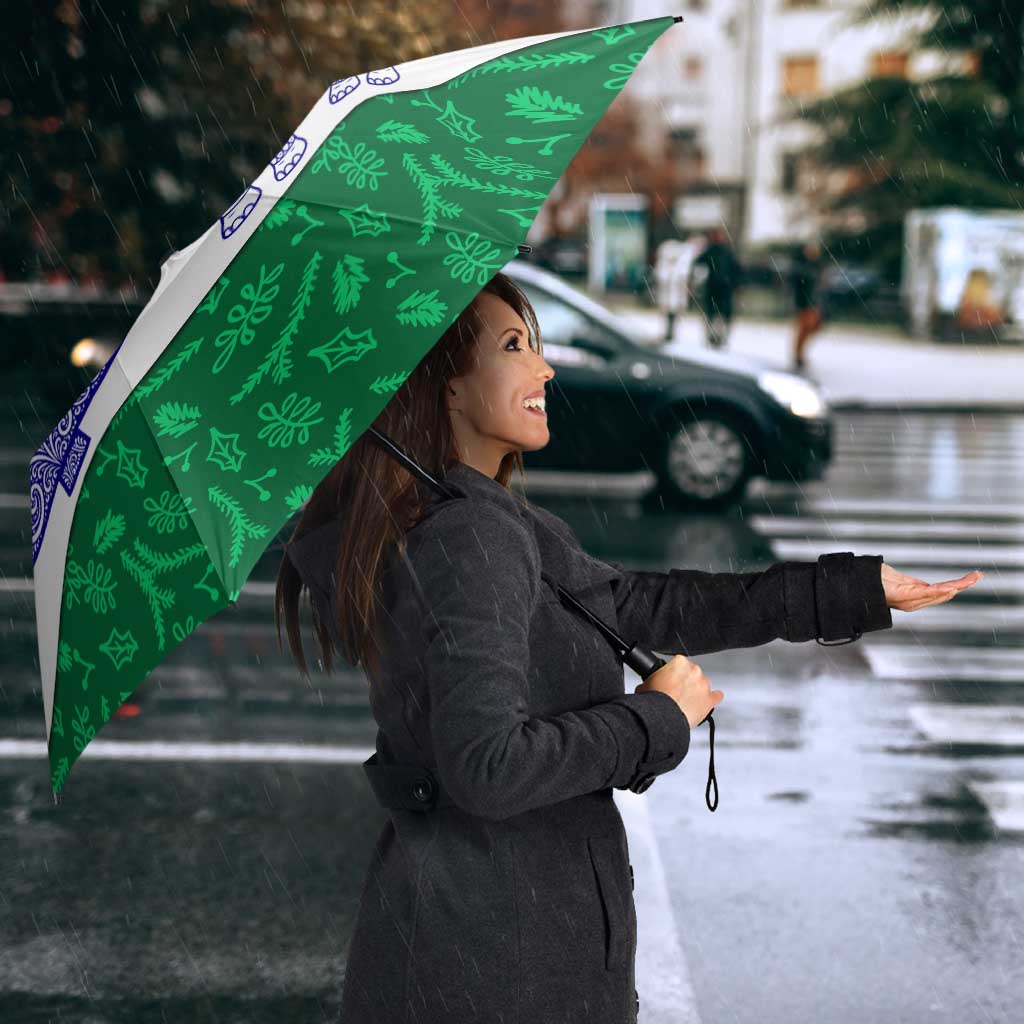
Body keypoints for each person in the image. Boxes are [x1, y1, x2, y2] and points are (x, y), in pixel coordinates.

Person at [274, 270, 967, 1024]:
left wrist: (850, 590)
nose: (545, 369)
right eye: (514, 347)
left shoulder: (468, 519)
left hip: (473, 941)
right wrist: (657, 719)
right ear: (447, 386)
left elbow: (638, 604)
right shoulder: (470, 536)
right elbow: (488, 767)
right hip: (500, 962)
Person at [692, 226, 742, 349]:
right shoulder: (714, 251)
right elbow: (698, 263)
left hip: (722, 289)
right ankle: (713, 337)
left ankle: (719, 337)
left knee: (719, 315)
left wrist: (735, 284)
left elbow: (736, 270)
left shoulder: (724, 252)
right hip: (716, 288)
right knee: (714, 314)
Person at [790, 239, 826, 370]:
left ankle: (799, 354)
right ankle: (798, 355)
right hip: (805, 303)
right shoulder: (802, 267)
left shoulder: (816, 266)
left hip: (814, 303)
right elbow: (799, 286)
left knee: (812, 327)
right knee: (804, 329)